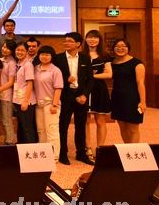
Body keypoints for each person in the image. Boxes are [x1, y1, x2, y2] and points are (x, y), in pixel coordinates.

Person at [53, 32, 94, 165]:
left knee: (80, 126)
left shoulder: (85, 58)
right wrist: (66, 80)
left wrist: (85, 95)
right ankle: (62, 153)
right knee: (63, 125)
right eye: (65, 41)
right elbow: (54, 79)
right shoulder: (58, 58)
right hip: (65, 96)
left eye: (70, 41)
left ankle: (81, 153)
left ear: (78, 44)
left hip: (81, 96)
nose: (66, 43)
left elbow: (90, 80)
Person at [82, 30, 112, 159]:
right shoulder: (81, 55)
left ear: (99, 40)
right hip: (84, 90)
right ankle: (87, 147)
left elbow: (109, 74)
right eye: (90, 37)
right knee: (85, 120)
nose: (92, 40)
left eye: (95, 38)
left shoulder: (105, 56)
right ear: (86, 39)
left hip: (99, 90)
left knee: (100, 121)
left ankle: (100, 149)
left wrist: (92, 76)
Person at [110, 39, 146, 143]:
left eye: (123, 46)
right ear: (113, 48)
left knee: (133, 128)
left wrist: (142, 102)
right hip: (117, 98)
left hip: (132, 98)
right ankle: (127, 149)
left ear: (128, 48)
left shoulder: (137, 63)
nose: (120, 48)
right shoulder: (112, 63)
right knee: (122, 126)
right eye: (117, 46)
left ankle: (134, 150)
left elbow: (140, 83)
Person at [33, 45, 63, 161]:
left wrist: (54, 105)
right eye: (42, 54)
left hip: (50, 104)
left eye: (47, 54)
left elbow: (58, 88)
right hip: (38, 105)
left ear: (52, 56)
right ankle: (43, 154)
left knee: (52, 131)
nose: (44, 57)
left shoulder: (55, 70)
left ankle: (54, 156)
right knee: (41, 130)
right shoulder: (36, 68)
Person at [13, 42, 37, 145]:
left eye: (22, 50)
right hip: (18, 100)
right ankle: (22, 149)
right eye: (18, 50)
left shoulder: (28, 65)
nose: (19, 52)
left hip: (26, 101)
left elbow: (30, 84)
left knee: (27, 128)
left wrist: (25, 101)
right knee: (22, 127)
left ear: (27, 52)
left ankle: (31, 150)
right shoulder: (18, 64)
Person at [0, 40, 17, 145]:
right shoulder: (0, 60)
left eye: (8, 48)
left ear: (12, 51)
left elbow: (11, 82)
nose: (5, 49)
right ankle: (7, 140)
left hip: (6, 95)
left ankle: (10, 142)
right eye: (4, 47)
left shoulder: (12, 63)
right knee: (1, 119)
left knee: (7, 120)